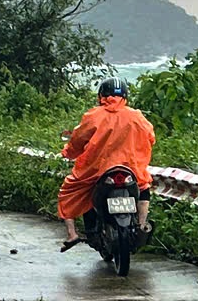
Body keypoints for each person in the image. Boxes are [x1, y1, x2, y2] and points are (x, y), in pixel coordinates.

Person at [58, 77, 155, 246]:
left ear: (101, 95)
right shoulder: (136, 116)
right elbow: (151, 138)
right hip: (130, 169)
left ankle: (72, 234)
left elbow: (78, 140)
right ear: (125, 96)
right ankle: (141, 224)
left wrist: (68, 152)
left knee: (68, 192)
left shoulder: (93, 116)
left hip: (97, 170)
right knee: (143, 187)